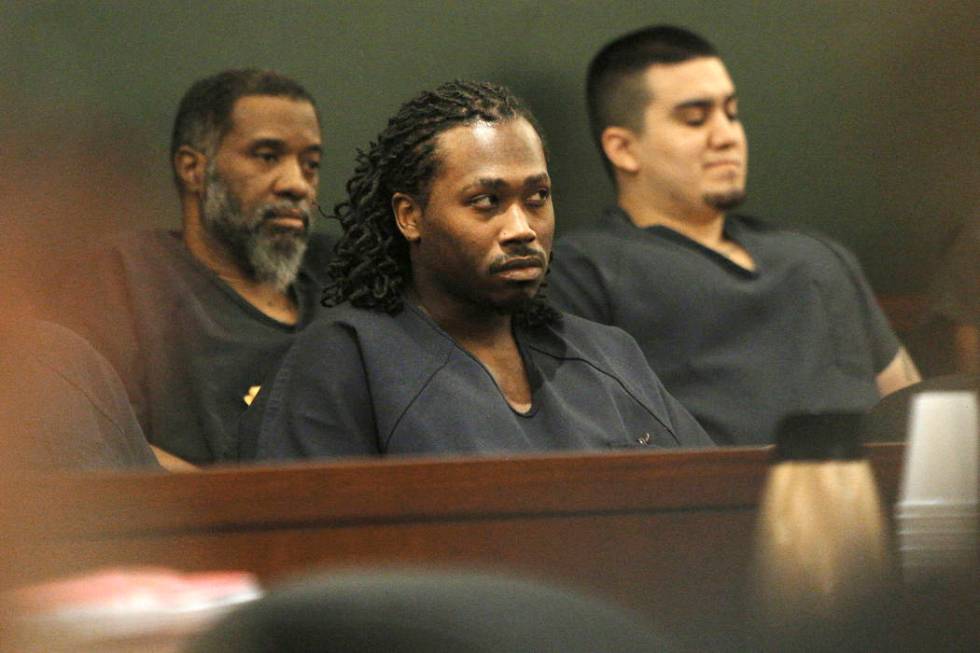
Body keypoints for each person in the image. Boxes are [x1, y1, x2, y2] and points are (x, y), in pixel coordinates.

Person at [240, 80, 712, 460]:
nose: (522, 228)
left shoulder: (609, 355)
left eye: (537, 198)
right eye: (487, 202)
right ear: (410, 216)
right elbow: (307, 557)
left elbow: (716, 504)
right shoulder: (345, 359)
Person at [548, 26, 920, 446]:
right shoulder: (583, 267)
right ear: (623, 149)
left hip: (870, 493)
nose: (727, 136)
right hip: (708, 501)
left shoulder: (817, 256)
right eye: (695, 118)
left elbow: (914, 409)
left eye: (731, 112)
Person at [47, 69, 332, 466]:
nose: (297, 184)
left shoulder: (343, 279)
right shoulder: (127, 278)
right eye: (268, 156)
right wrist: (243, 507)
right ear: (193, 169)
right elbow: (100, 439)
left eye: (311, 164)